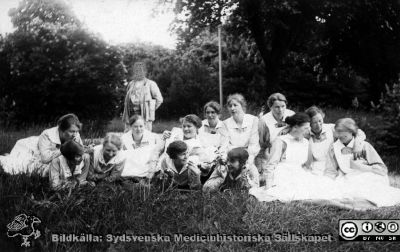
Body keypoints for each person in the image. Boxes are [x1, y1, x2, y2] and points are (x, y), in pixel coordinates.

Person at [250, 113, 339, 202]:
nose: (309, 131)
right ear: (296, 127)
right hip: (283, 175)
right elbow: (271, 165)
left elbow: (307, 165)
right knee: (295, 193)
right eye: (306, 128)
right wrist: (268, 186)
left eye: (309, 128)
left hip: (299, 174)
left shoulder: (306, 142)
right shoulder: (281, 141)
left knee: (324, 189)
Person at [324, 118, 400, 208]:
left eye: (341, 131)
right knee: (338, 191)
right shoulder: (334, 148)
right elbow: (330, 170)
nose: (338, 135)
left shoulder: (364, 145)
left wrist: (362, 167)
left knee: (368, 189)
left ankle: (360, 202)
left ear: (351, 131)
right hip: (347, 177)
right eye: (337, 132)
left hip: (367, 175)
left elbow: (382, 169)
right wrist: (326, 183)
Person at [0, 113, 84, 175]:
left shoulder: (75, 135)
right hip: (30, 148)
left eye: (76, 131)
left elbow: (80, 151)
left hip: (51, 152)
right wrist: (63, 150)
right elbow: (45, 158)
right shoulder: (47, 135)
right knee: (18, 166)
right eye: (72, 131)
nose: (75, 134)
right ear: (61, 130)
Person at [305, 106, 366, 176]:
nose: (318, 125)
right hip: (317, 169)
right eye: (314, 122)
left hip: (336, 164)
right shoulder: (306, 135)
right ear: (309, 123)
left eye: (320, 121)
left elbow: (358, 131)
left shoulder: (331, 128)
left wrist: (357, 143)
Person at [255, 93, 295, 175]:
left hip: (290, 151)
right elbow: (262, 144)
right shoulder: (264, 120)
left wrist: (288, 128)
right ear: (270, 107)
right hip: (271, 152)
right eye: (277, 107)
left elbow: (301, 128)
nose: (280, 110)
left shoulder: (291, 114)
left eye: (283, 106)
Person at [122, 62, 163, 131]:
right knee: (129, 135)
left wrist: (150, 109)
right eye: (137, 70)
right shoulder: (131, 84)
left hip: (144, 115)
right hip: (131, 114)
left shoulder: (151, 83)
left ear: (145, 71)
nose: (139, 72)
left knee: (144, 135)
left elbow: (159, 99)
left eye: (141, 70)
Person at [120, 115, 160, 181]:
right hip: (131, 163)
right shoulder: (124, 138)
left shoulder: (151, 136)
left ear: (145, 126)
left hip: (145, 162)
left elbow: (153, 152)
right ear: (130, 127)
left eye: (141, 126)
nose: (138, 129)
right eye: (135, 126)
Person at [223, 94, 260, 164]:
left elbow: (254, 144)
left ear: (242, 106)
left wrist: (249, 160)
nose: (232, 108)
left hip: (249, 155)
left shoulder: (253, 120)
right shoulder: (225, 123)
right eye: (230, 106)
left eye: (235, 105)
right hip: (232, 155)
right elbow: (225, 145)